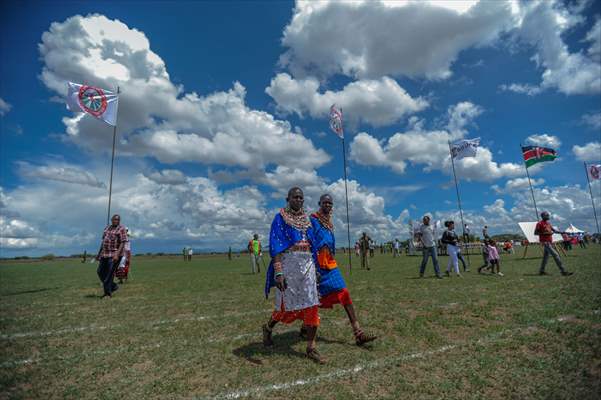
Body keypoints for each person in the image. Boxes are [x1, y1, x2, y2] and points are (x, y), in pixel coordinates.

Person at [262, 187, 324, 363]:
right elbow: (275, 247)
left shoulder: (308, 220)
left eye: (301, 198)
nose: (299, 200)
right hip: (289, 265)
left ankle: (311, 347)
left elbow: (314, 246)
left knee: (312, 303)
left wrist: (316, 269)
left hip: (308, 265)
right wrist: (279, 272)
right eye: (295, 197)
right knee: (284, 308)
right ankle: (267, 327)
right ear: (287, 199)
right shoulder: (280, 218)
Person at [308, 194, 377, 346]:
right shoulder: (312, 219)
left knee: (344, 292)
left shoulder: (329, 222)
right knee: (312, 298)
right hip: (317, 263)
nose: (327, 205)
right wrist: (313, 265)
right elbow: (309, 241)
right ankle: (303, 327)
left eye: (330, 203)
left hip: (330, 263)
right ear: (319, 203)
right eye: (325, 202)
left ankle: (358, 333)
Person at [95, 214, 127, 298]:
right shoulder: (107, 228)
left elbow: (123, 242)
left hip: (114, 255)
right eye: (115, 219)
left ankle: (107, 294)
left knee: (109, 274)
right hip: (104, 254)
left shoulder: (121, 229)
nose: (116, 221)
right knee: (100, 272)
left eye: (118, 220)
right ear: (111, 220)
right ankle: (113, 286)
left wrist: (117, 254)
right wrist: (98, 254)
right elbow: (103, 242)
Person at [534, 211, 573, 276]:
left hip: (549, 242)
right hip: (545, 242)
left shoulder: (548, 224)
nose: (548, 216)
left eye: (548, 215)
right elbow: (535, 233)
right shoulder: (539, 224)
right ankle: (563, 271)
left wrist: (563, 232)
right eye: (547, 215)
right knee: (556, 255)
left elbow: (554, 231)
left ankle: (542, 271)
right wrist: (546, 233)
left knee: (545, 257)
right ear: (543, 216)